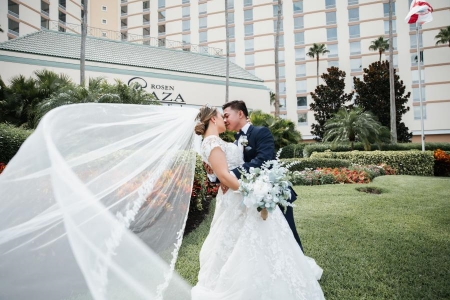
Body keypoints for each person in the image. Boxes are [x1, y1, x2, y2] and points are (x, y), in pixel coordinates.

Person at [192, 104, 325, 300]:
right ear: (213, 119)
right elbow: (221, 170)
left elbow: (264, 159)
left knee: (281, 234)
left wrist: (228, 178)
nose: (225, 119)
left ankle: (292, 268)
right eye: (222, 116)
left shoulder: (258, 132)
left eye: (227, 115)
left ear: (241, 114)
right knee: (247, 238)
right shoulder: (215, 142)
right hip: (245, 195)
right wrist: (234, 183)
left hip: (264, 190)